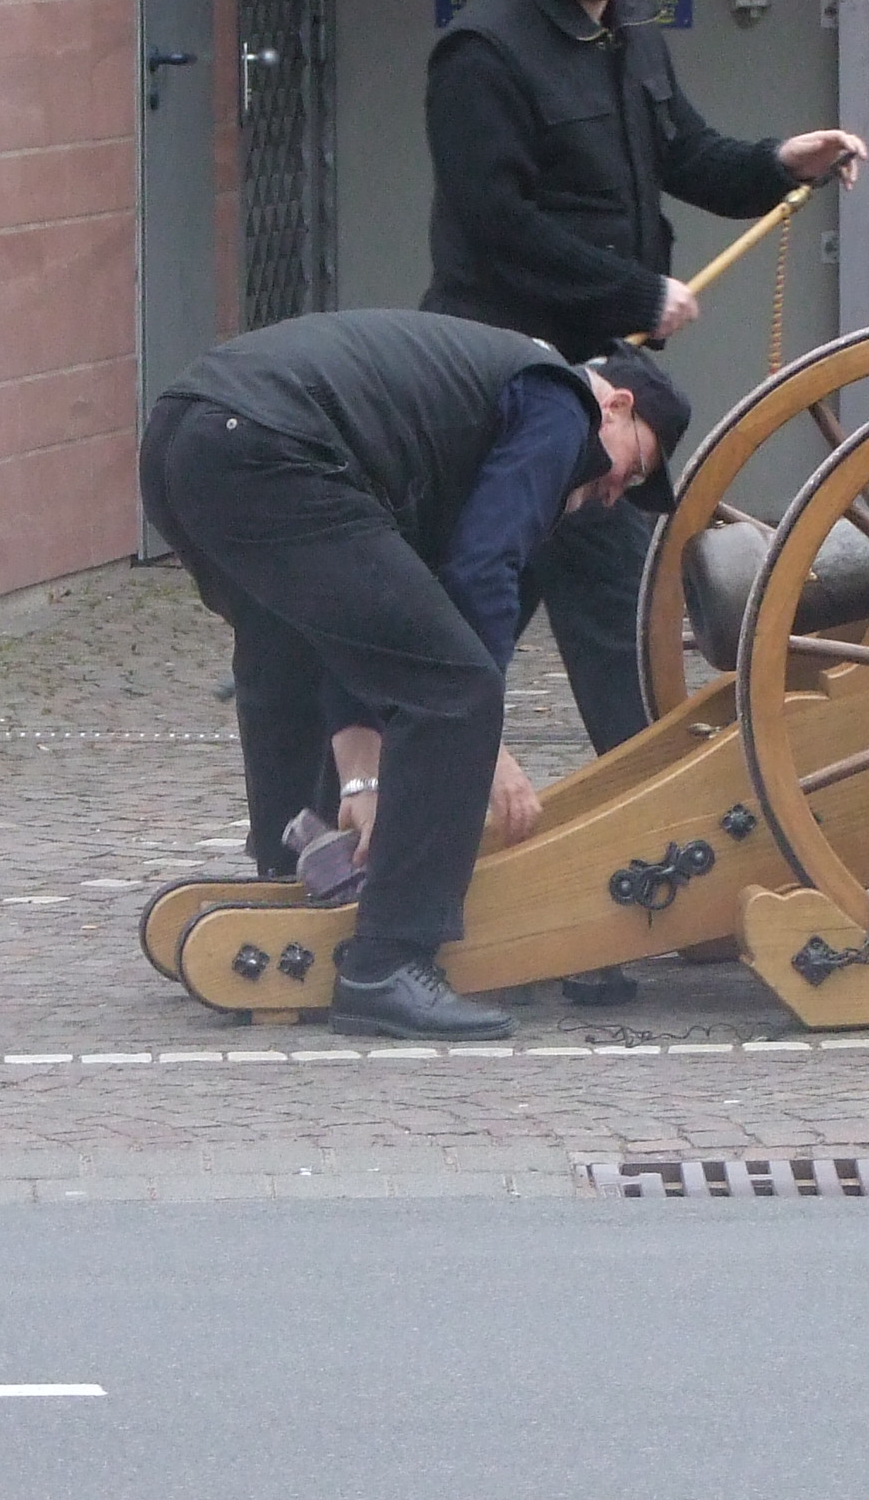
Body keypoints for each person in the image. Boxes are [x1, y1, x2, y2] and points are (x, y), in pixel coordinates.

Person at [421, 0, 864, 1001]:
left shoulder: (634, 37)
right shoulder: (482, 52)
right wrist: (632, 295)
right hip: (512, 381)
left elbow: (686, 160)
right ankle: (412, 860)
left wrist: (780, 161)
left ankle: (603, 902)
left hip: (601, 392)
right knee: (466, 635)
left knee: (615, 639)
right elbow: (494, 225)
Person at [142, 310, 688, 1042]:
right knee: (456, 688)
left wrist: (364, 785)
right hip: (270, 445)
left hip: (187, 436)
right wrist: (485, 742)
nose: (616, 492)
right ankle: (389, 962)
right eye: (636, 467)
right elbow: (485, 565)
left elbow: (358, 636)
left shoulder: (472, 411)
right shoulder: (565, 406)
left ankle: (296, 877)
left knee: (292, 645)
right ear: (616, 406)